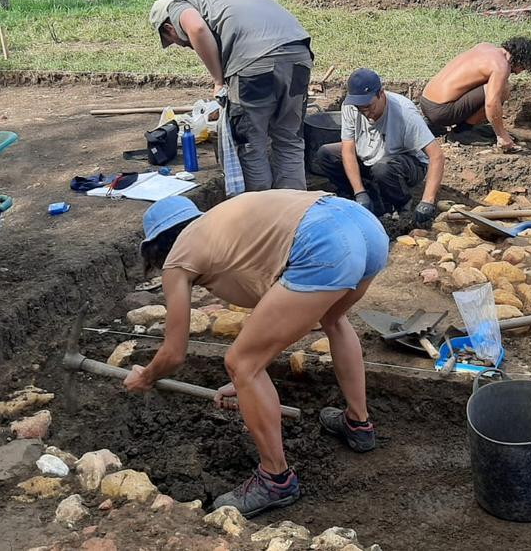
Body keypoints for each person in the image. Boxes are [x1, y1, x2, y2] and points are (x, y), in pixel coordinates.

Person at [123, 191, 388, 517]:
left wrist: (146, 376)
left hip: (323, 239)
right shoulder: (225, 230)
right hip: (363, 226)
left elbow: (174, 353)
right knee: (333, 319)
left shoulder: (178, 260)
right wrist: (246, 384)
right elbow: (282, 317)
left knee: (241, 362)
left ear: (156, 246)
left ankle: (275, 478)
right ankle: (358, 424)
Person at [149, 0, 314, 191]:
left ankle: (261, 217)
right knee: (290, 140)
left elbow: (197, 29)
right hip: (298, 55)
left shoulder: (179, 5)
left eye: (177, 42)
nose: (186, 46)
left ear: (169, 28)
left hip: (254, 64)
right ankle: (294, 214)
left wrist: (218, 80)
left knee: (250, 146)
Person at [314, 69, 444, 229]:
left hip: (406, 163)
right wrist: (359, 192)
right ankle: (366, 197)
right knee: (326, 154)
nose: (365, 112)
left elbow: (436, 155)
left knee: (383, 168)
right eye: (360, 108)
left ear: (381, 93)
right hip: (370, 155)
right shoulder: (351, 107)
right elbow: (347, 150)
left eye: (369, 106)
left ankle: (401, 204)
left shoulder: (405, 114)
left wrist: (427, 201)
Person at [417, 37, 531, 151]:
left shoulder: (485, 46)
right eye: (523, 68)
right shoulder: (501, 66)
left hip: (426, 103)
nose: (519, 73)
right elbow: (491, 104)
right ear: (520, 60)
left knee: (492, 85)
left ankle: (434, 125)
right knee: (503, 88)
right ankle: (463, 132)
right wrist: (502, 135)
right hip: (441, 112)